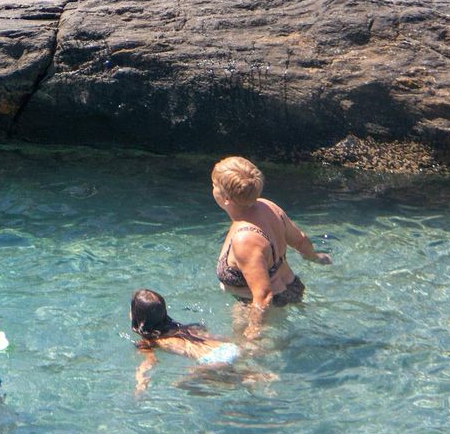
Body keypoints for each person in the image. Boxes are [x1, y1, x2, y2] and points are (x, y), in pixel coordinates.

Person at [211, 156, 330, 338]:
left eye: (213, 185)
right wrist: (314, 257)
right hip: (293, 287)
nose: (212, 189)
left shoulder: (245, 239)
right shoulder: (268, 206)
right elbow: (300, 240)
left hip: (266, 306)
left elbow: (264, 294)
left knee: (244, 360)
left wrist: (254, 329)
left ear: (226, 198)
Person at [130, 289, 265, 394]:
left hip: (214, 360)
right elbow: (202, 331)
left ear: (136, 317)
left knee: (180, 385)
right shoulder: (180, 328)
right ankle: (256, 376)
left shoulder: (149, 341)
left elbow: (149, 362)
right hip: (229, 347)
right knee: (226, 370)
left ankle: (242, 380)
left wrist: (141, 381)